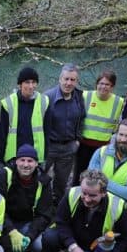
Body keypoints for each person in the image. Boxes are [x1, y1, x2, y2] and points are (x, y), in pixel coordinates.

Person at [32, 169, 127, 252]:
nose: (87, 199)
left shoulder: (117, 207)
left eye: (93, 195)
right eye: (84, 193)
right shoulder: (72, 194)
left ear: (104, 193)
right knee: (49, 237)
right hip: (72, 237)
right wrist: (72, 246)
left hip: (96, 248)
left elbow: (126, 238)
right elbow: (61, 221)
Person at [0, 144, 54, 252]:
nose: (26, 165)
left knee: (39, 245)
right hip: (1, 223)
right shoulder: (4, 175)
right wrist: (11, 231)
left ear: (36, 163)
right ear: (16, 161)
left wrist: (30, 236)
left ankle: (24, 251)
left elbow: (44, 215)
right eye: (22, 160)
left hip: (26, 224)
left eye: (30, 161)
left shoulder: (43, 181)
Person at [42, 63, 86, 204]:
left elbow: (82, 119)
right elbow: (39, 122)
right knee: (40, 178)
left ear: (76, 81)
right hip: (49, 147)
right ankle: (39, 207)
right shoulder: (47, 97)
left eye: (72, 80)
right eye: (66, 79)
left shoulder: (79, 97)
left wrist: (77, 140)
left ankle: (56, 213)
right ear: (60, 79)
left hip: (68, 148)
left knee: (61, 184)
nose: (68, 83)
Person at [86, 118, 127, 205]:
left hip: (120, 210)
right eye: (120, 134)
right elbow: (91, 180)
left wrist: (102, 181)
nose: (123, 139)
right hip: (95, 203)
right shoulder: (101, 152)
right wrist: (119, 189)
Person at [75, 69, 125, 182]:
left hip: (104, 147)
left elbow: (121, 123)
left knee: (98, 177)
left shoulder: (119, 102)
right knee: (79, 175)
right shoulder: (85, 96)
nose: (103, 87)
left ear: (112, 87)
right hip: (83, 145)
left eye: (107, 84)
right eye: (101, 83)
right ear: (96, 84)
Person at [0, 66, 50, 165]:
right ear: (20, 84)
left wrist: (46, 158)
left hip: (36, 158)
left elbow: (47, 133)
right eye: (27, 82)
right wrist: (0, 160)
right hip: (13, 157)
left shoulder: (44, 102)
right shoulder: (8, 103)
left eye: (33, 82)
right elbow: (2, 135)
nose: (31, 86)